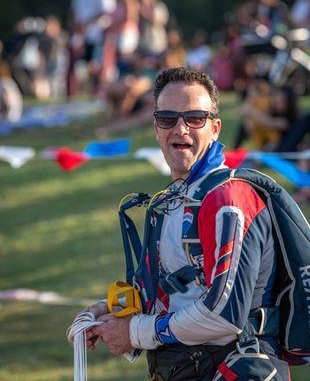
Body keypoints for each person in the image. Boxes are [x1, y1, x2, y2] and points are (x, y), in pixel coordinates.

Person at [75, 67, 291, 380]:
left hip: (234, 366)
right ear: (155, 127)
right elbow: (172, 292)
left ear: (215, 128)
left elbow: (225, 314)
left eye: (194, 118)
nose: (181, 129)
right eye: (168, 118)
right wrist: (105, 314)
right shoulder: (173, 200)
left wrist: (135, 332)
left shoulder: (228, 199)